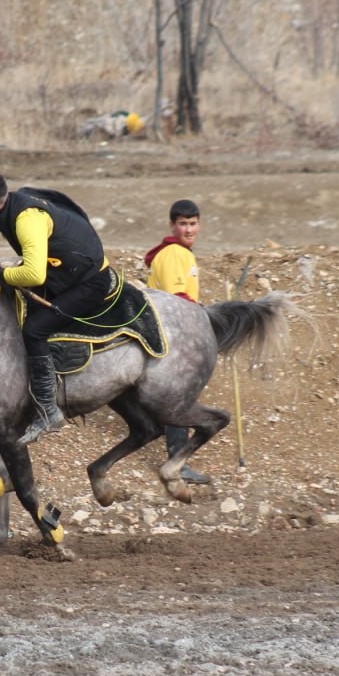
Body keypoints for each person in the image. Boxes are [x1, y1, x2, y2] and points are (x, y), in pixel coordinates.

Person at [0, 169, 113, 445]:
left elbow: (34, 275)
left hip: (87, 283)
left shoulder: (26, 220)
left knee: (34, 329)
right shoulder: (4, 207)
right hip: (63, 271)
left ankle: (48, 410)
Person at [144, 199, 211, 485]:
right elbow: (176, 301)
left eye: (193, 223)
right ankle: (177, 460)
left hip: (173, 330)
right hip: (174, 333)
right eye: (183, 224)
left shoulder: (182, 253)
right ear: (172, 226)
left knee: (174, 395)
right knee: (179, 395)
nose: (188, 229)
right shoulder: (173, 254)